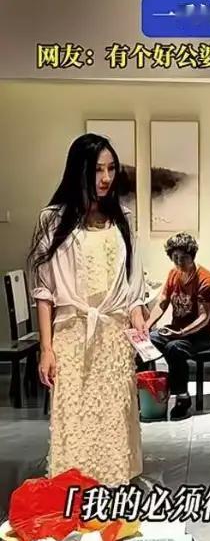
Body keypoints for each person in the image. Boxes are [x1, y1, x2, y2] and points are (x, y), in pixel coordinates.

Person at [29, 133, 146, 486]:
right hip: (71, 336)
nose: (106, 178)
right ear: (78, 170)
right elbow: (44, 292)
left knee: (114, 423)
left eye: (111, 169)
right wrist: (46, 348)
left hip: (113, 338)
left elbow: (134, 283)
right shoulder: (52, 220)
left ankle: (113, 497)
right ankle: (74, 496)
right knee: (75, 423)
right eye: (97, 170)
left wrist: (138, 317)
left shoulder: (123, 218)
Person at [146, 233, 210, 419]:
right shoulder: (173, 274)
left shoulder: (205, 281)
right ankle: (146, 390)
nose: (179, 262)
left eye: (184, 257)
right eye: (175, 257)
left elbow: (204, 317)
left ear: (192, 256)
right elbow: (163, 301)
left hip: (203, 334)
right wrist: (147, 326)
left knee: (174, 348)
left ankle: (182, 397)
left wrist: (181, 333)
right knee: (147, 340)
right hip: (178, 329)